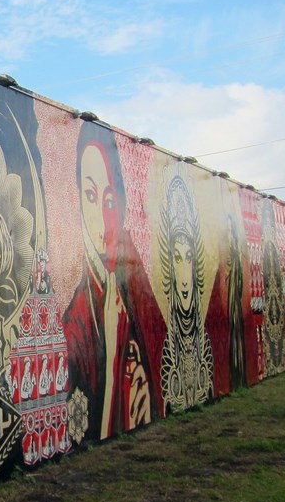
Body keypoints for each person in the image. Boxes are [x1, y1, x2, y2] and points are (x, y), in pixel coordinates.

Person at [62, 124, 165, 442]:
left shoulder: (136, 288)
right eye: (91, 196)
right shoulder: (76, 321)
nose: (103, 221)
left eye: (109, 201)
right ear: (77, 200)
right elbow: (84, 429)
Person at [159, 175, 214, 412]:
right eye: (177, 257)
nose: (183, 271)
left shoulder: (205, 344)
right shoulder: (167, 350)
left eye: (188, 258)